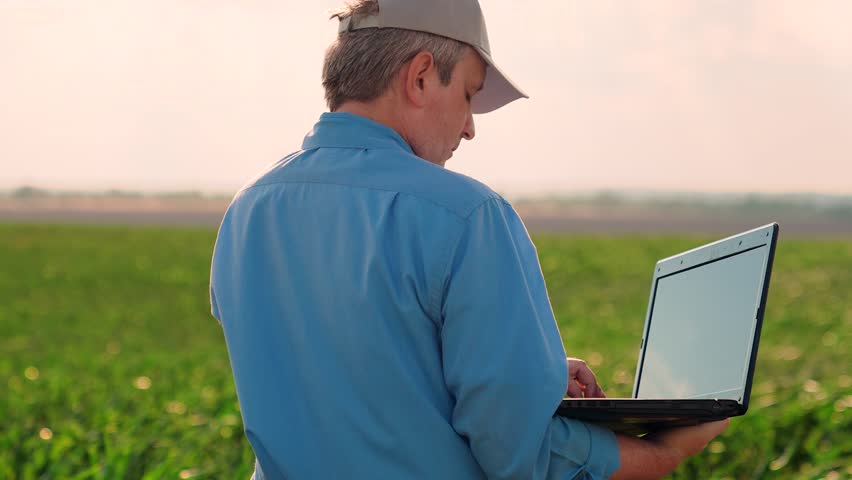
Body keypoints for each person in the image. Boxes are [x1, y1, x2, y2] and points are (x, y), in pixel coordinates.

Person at [209, 0, 728, 478]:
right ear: (419, 77)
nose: (469, 128)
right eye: (469, 95)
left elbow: (344, 379)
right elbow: (519, 453)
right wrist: (665, 453)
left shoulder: (247, 211)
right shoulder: (467, 215)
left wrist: (528, 372)